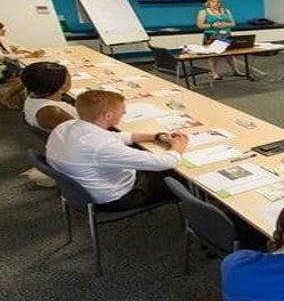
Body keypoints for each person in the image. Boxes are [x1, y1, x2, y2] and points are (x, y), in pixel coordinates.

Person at [46, 90, 188, 212]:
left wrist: (154, 136)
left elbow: (119, 136)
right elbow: (165, 162)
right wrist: (179, 145)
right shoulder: (101, 145)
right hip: (116, 198)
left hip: (82, 191)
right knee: (183, 178)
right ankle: (201, 216)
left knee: (145, 153)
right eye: (121, 110)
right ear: (108, 116)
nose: (125, 112)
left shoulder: (66, 126)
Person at [196, 0, 246, 80]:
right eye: (213, 1)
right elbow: (200, 25)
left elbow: (233, 23)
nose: (215, 4)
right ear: (208, 2)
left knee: (230, 53)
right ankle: (214, 73)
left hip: (226, 34)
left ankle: (236, 71)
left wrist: (224, 24)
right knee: (212, 54)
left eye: (218, 2)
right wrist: (212, 25)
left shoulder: (226, 11)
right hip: (211, 35)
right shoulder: (203, 12)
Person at [0, 21, 46, 109]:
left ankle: (31, 100)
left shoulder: (2, 39)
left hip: (8, 66)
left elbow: (17, 46)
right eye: (1, 29)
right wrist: (26, 55)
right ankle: (5, 98)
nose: (4, 31)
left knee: (30, 73)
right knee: (26, 77)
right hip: (1, 69)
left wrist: (30, 51)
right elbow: (3, 57)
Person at [21, 61, 77, 131]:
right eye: (68, 76)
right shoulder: (53, 113)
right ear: (61, 85)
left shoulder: (33, 95)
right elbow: (80, 132)